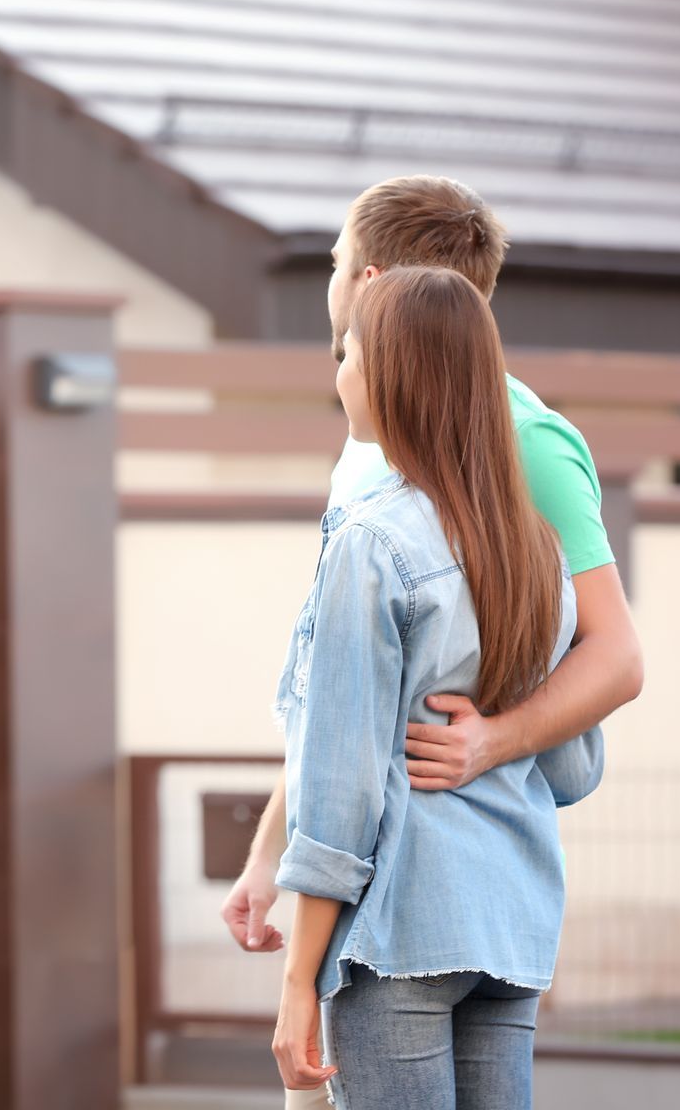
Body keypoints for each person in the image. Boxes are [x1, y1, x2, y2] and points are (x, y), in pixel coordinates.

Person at [221, 177, 642, 958]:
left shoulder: (531, 444)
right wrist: (268, 857)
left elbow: (617, 656)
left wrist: (496, 739)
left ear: (371, 283)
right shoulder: (367, 436)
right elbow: (342, 686)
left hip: (447, 902)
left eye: (337, 262)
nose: (332, 285)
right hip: (350, 895)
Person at [269, 266, 605, 1107]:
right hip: (511, 929)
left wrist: (296, 980)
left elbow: (339, 793)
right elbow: (573, 772)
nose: (339, 371)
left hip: (400, 931)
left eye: (349, 353)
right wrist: (493, 733)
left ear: (392, 381)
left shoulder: (372, 542)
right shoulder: (537, 545)